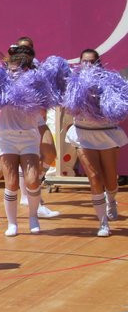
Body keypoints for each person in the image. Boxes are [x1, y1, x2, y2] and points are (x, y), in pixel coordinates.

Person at [0, 44, 46, 237]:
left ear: (26, 70)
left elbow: (43, 104)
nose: (12, 73)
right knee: (11, 183)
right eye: (10, 70)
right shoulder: (2, 83)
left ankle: (33, 217)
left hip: (28, 137)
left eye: (16, 70)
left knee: (32, 180)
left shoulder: (35, 85)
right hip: (7, 137)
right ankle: (12, 224)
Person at [64, 48, 124, 237]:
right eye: (85, 62)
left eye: (92, 62)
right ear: (80, 63)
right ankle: (102, 223)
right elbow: (69, 108)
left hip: (106, 134)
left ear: (98, 63)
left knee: (110, 179)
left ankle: (111, 198)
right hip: (83, 135)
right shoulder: (74, 84)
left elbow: (118, 108)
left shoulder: (109, 82)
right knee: (94, 177)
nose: (88, 65)